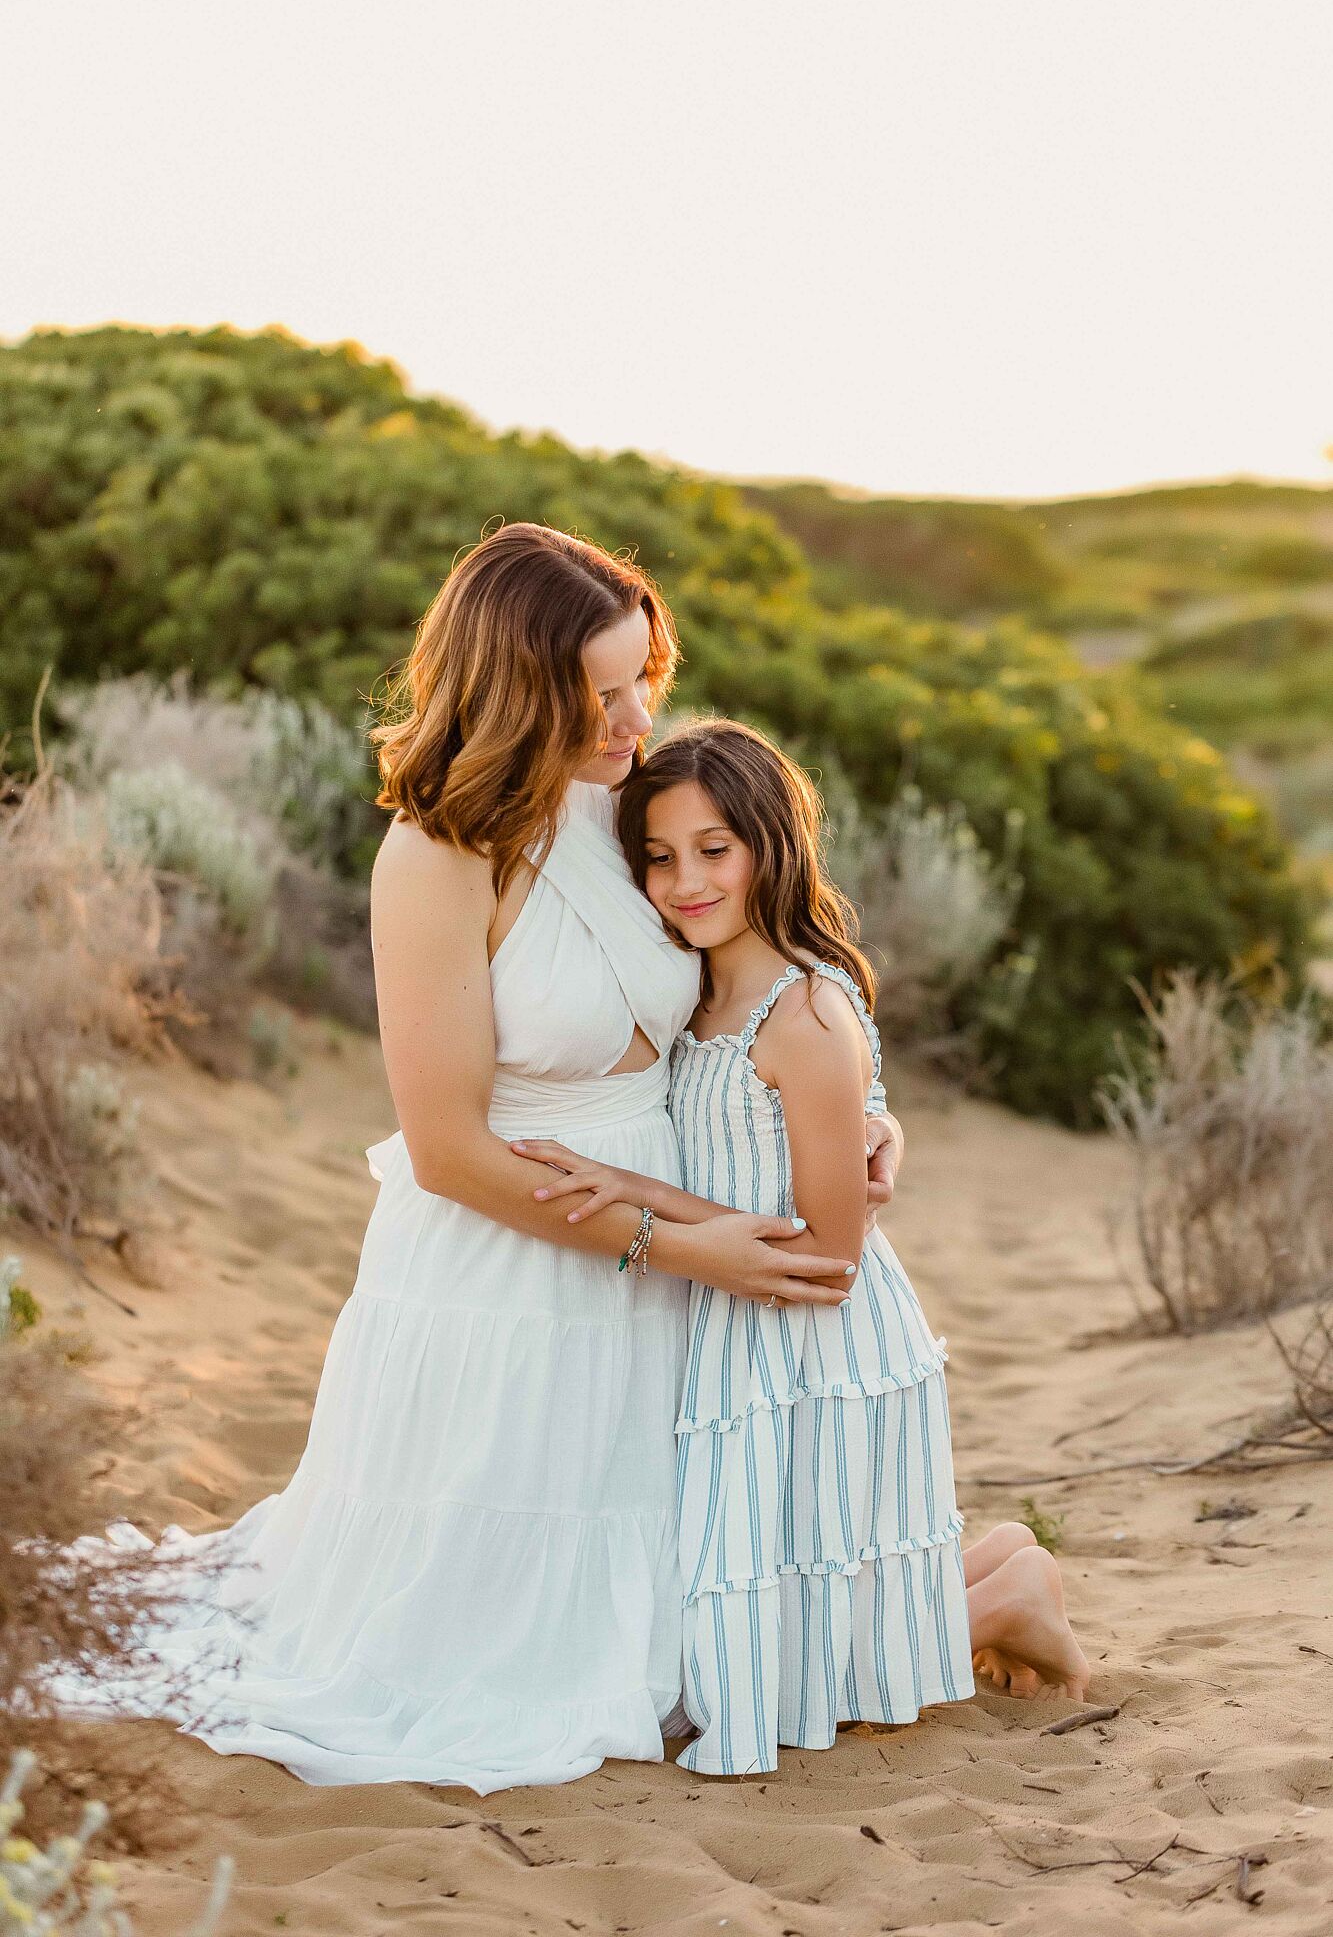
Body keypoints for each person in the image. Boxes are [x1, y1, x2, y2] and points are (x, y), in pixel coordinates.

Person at [47, 526, 903, 1794]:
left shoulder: (633, 811)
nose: (637, 715)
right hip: (516, 1259)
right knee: (502, 1642)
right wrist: (678, 1244)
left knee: (695, 1601)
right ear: (517, 687)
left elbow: (764, 963)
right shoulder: (437, 856)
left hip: (672, 1252)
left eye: (644, 675)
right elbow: (446, 1148)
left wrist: (865, 1105)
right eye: (601, 692)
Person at [510, 718, 1091, 1775]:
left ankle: (1007, 1591)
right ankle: (993, 1567)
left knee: (784, 1690)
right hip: (730, 1328)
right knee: (767, 1630)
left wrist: (637, 1193)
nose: (684, 880)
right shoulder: (692, 989)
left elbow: (830, 1256)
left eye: (714, 848)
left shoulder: (803, 1009)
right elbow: (858, 1118)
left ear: (771, 845)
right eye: (658, 854)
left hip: (814, 1346)